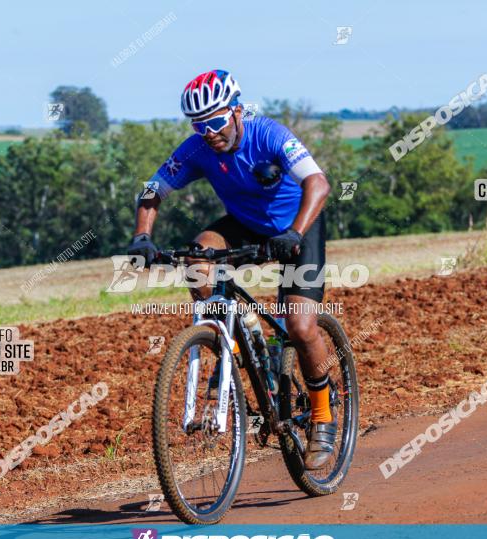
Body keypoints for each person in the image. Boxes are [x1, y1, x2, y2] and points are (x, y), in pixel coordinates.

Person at [128, 69, 335, 469]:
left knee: (301, 328)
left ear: (237, 111)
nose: (209, 132)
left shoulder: (269, 135)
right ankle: (238, 333)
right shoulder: (197, 149)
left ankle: (323, 417)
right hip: (244, 224)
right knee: (197, 258)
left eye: (216, 121)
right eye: (199, 125)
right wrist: (142, 237)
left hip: (297, 227)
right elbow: (153, 190)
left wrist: (293, 232)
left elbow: (319, 183)